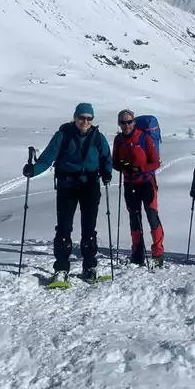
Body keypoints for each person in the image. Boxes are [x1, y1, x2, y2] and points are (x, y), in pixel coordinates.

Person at [22, 103, 112, 283]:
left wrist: (107, 172)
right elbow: (48, 157)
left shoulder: (97, 137)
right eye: (82, 117)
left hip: (90, 185)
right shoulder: (62, 135)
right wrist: (34, 170)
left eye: (89, 118)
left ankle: (90, 267)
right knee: (64, 228)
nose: (85, 121)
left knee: (89, 228)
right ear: (75, 117)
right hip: (67, 185)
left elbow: (105, 158)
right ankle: (61, 268)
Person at [111, 109, 164, 267]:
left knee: (152, 217)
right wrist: (122, 167)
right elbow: (114, 162)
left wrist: (140, 169)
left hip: (146, 182)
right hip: (129, 184)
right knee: (135, 219)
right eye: (123, 122)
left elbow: (156, 162)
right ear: (119, 124)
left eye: (129, 122)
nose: (126, 125)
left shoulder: (144, 137)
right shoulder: (118, 140)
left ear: (134, 122)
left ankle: (158, 254)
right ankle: (137, 253)